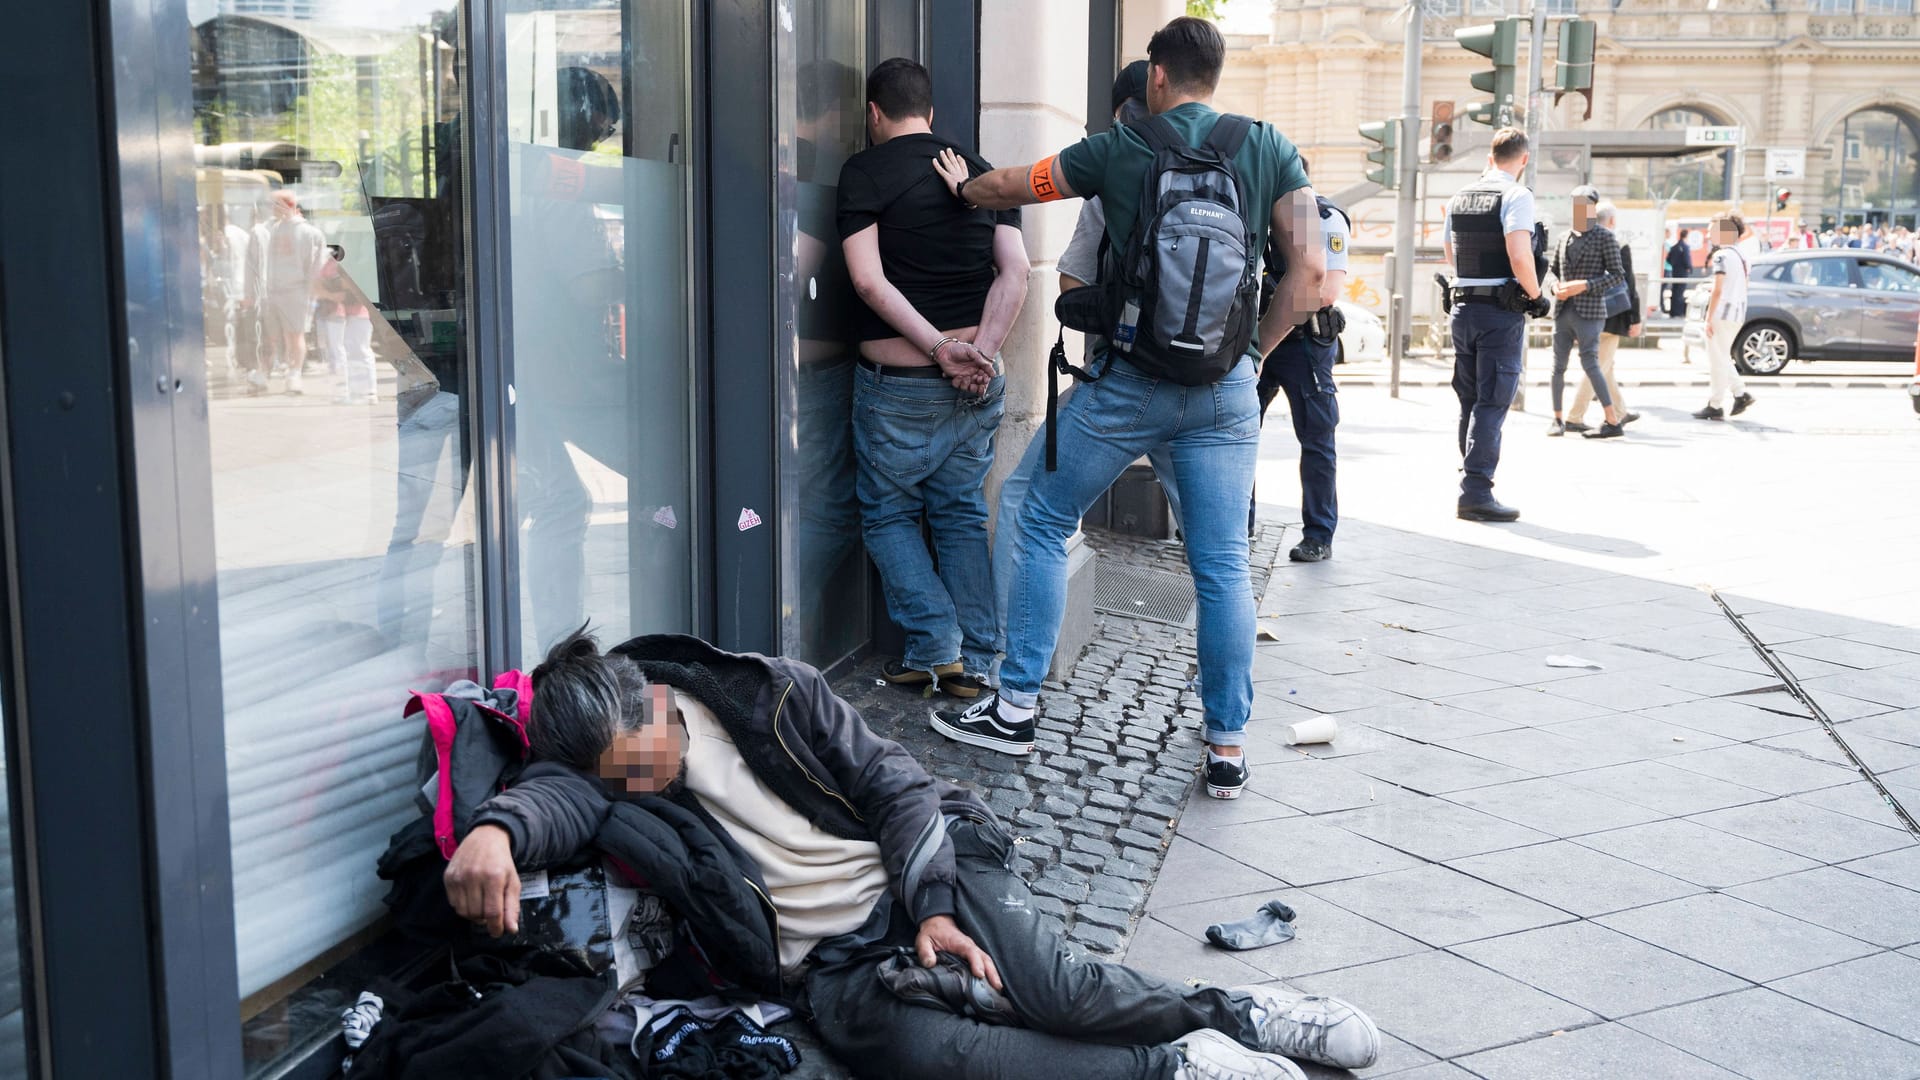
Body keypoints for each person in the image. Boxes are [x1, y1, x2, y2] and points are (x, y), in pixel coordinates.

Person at [442, 629, 1383, 1080]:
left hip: (922, 866)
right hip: (830, 965)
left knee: (1050, 987)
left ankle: (1243, 1014)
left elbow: (897, 786)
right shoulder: (612, 773)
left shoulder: (771, 693)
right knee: (952, 1060)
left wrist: (933, 904)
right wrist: (495, 830)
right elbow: (560, 795)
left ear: (646, 698)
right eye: (616, 783)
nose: (636, 790)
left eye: (633, 765)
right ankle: (1177, 1068)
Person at [922, 16, 1325, 799]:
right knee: (1220, 567)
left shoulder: (1123, 148)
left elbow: (1020, 184)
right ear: (1214, 75)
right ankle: (1228, 747)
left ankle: (1014, 707)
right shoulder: (1269, 148)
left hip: (1132, 385)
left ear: (1157, 76)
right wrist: (1253, 355)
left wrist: (964, 188)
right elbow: (1311, 271)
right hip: (1224, 396)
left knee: (1035, 510)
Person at [838, 58, 1029, 701]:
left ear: (873, 114)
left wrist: (942, 348)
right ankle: (976, 660)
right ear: (931, 112)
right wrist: (981, 352)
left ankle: (935, 647)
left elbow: (868, 280)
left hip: (899, 385)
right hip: (977, 384)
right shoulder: (979, 171)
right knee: (959, 515)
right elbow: (1016, 274)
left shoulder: (865, 171)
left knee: (890, 516)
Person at [1442, 126, 1549, 524]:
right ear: (1523, 160)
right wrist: (1536, 297)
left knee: (1469, 401)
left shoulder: (1460, 196)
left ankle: (1469, 480)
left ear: (1491, 157)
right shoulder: (1517, 195)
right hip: (1498, 314)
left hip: (1463, 308)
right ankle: (1476, 492)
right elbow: (1520, 255)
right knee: (1491, 402)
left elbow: (1450, 252)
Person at [1255, 157, 1348, 563]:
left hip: (1303, 342)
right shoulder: (1256, 214)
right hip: (1256, 337)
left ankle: (1318, 535)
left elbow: (1326, 291)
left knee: (1316, 439)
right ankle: (1239, 527)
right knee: (1234, 436)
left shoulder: (1324, 219)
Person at [1545, 185, 1627, 440]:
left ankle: (1612, 420)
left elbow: (1617, 275)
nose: (1579, 209)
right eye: (1575, 204)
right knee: (1557, 366)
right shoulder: (1563, 237)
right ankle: (1558, 419)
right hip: (1563, 309)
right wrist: (1553, 285)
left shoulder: (1605, 237)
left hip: (1590, 310)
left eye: (1584, 204)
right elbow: (1551, 271)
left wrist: (1586, 285)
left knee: (1591, 364)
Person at [1568, 201, 1642, 432]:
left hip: (1585, 312)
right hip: (1612, 314)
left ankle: (1620, 412)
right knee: (1599, 366)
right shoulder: (1618, 244)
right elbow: (1628, 283)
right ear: (1611, 221)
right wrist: (1636, 317)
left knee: (1605, 365)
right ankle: (1574, 417)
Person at [259, 189, 328, 396]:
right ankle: (273, 372)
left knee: (295, 334)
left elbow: (316, 266)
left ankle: (294, 373)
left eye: (275, 204)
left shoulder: (310, 233)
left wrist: (310, 292)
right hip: (274, 291)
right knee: (272, 335)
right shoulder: (273, 230)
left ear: (287, 205)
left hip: (296, 291)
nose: (271, 208)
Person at [1693, 213, 1757, 421]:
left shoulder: (1721, 256)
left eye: (1712, 231)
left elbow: (1718, 290)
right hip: (1737, 313)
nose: (1709, 235)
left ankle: (1724, 400)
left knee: (1717, 359)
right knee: (1721, 356)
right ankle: (1730, 397)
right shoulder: (1742, 255)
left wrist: (1708, 318)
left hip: (1722, 313)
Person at [1664, 229, 1693, 318]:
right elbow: (1687, 260)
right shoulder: (1685, 247)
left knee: (1675, 291)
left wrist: (1674, 264)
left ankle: (1673, 311)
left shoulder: (1674, 247)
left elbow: (1668, 259)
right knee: (1680, 292)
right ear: (1686, 236)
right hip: (1683, 272)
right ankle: (1678, 312)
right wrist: (1689, 268)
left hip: (1675, 271)